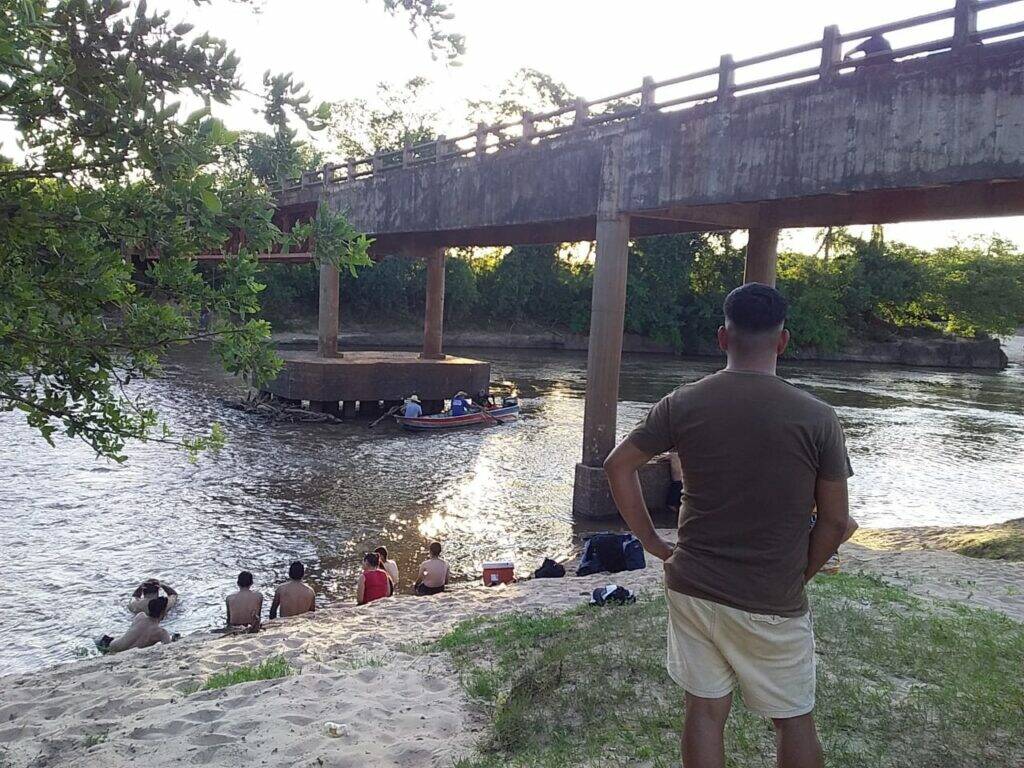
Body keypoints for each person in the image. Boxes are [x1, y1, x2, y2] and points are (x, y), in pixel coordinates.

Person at [604, 283, 852, 768]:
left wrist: (654, 542)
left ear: (722, 337)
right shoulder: (819, 418)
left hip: (692, 586)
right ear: (783, 341)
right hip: (770, 597)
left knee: (704, 708)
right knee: (793, 718)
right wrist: (799, 574)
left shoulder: (681, 403)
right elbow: (836, 520)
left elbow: (618, 465)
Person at [100, 596, 173, 653]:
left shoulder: (140, 616)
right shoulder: (161, 633)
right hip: (126, 654)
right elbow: (168, 647)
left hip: (112, 645)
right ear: (163, 612)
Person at [665, 451, 683, 516]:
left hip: (676, 479)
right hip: (681, 478)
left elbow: (662, 458)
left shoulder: (672, 455)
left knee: (673, 495)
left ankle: (673, 508)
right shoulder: (681, 454)